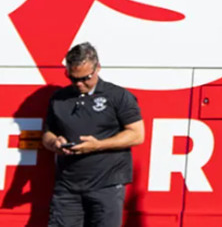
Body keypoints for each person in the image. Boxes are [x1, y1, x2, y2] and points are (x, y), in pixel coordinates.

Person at [41, 43, 144, 227]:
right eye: (73, 78)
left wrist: (98, 145)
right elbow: (47, 134)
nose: (79, 84)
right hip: (67, 186)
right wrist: (54, 143)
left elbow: (137, 134)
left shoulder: (118, 96)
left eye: (85, 78)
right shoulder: (59, 98)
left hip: (106, 184)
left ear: (97, 68)